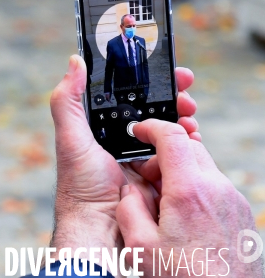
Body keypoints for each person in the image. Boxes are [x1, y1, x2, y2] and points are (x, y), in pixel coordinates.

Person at [25, 55, 263, 277]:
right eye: (126, 25)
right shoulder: (113, 47)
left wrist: (90, 213)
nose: (130, 29)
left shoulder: (140, 45)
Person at [104, 13, 149, 104]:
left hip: (139, 88)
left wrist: (146, 86)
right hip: (122, 90)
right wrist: (107, 89)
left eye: (134, 26)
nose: (132, 28)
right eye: (129, 26)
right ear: (122, 27)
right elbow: (109, 69)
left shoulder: (141, 41)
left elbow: (145, 64)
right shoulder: (112, 44)